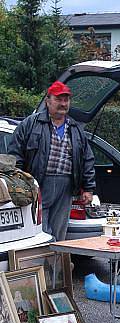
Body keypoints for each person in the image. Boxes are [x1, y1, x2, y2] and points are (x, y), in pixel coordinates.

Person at [8, 81, 95, 241]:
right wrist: (20, 182)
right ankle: (43, 265)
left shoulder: (75, 128)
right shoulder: (30, 123)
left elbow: (87, 159)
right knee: (41, 231)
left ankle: (57, 266)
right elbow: (15, 154)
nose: (63, 103)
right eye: (59, 99)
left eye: (66, 100)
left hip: (66, 186)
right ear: (48, 101)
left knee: (59, 231)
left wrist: (88, 188)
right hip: (37, 184)